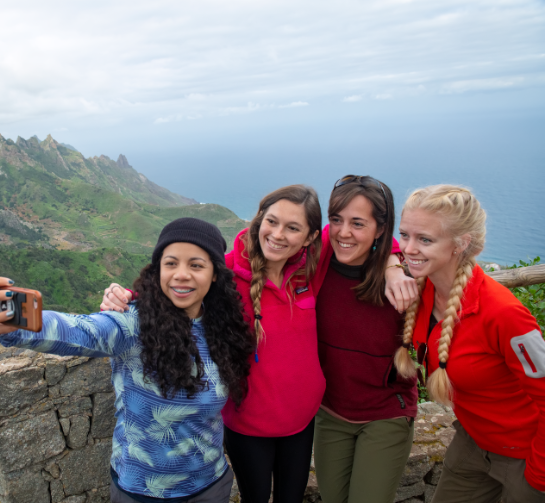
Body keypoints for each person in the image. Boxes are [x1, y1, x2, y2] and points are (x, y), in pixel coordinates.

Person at [101, 184, 417, 503]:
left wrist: (392, 265)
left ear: (308, 237)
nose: (278, 234)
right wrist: (127, 297)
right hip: (246, 422)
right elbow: (177, 286)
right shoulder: (224, 272)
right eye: (272, 221)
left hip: (301, 420)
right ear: (259, 221)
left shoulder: (313, 265)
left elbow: (361, 232)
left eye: (293, 228)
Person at [0, 218, 254, 503]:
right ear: (158, 269)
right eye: (170, 263)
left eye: (196, 265)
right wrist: (11, 323)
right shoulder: (134, 324)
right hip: (141, 491)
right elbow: (79, 331)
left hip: (209, 486)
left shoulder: (222, 328)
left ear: (215, 274)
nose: (181, 274)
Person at [396, 185, 545, 503]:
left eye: (424, 239)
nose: (408, 248)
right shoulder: (421, 292)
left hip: (526, 453)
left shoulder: (504, 314)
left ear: (460, 244)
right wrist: (389, 268)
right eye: (404, 235)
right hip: (472, 441)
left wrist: (538, 476)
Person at [311, 175, 419, 503]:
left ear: (381, 228)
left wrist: (391, 264)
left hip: (385, 413)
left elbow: (430, 338)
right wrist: (392, 259)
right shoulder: (316, 264)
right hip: (330, 412)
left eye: (358, 223)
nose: (344, 232)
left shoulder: (401, 285)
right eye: (337, 220)